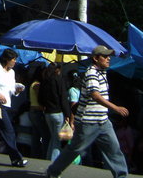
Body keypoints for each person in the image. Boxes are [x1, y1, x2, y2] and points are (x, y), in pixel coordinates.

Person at [45, 45, 129, 178]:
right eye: (105, 56)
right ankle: (53, 171)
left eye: (109, 56)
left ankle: (121, 176)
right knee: (75, 149)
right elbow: (95, 95)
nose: (108, 59)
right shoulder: (91, 73)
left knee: (114, 150)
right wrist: (115, 108)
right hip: (88, 122)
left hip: (103, 121)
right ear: (96, 58)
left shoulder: (103, 72)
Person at [39, 62, 71, 161]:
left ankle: (49, 158)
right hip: (58, 112)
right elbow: (63, 99)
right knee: (57, 140)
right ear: (58, 70)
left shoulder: (45, 81)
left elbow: (40, 98)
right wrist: (67, 114)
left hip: (48, 112)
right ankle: (53, 162)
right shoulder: (59, 80)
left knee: (53, 137)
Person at [28, 65, 49, 158]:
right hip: (37, 111)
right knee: (44, 135)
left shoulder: (33, 83)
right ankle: (44, 154)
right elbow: (39, 98)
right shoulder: (37, 85)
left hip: (33, 111)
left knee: (36, 134)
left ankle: (34, 154)